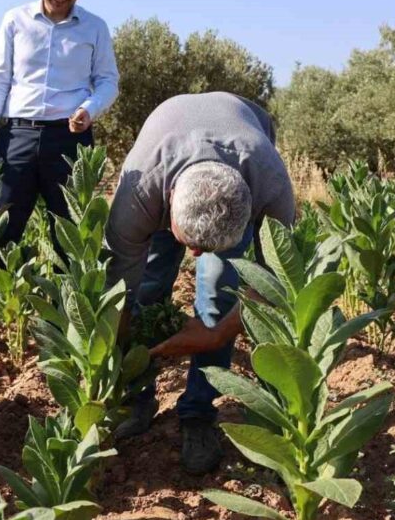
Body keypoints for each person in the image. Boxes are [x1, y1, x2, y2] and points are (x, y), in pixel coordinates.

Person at [105, 92, 295, 474]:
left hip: (242, 147)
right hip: (166, 149)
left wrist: (219, 333)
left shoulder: (271, 186)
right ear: (168, 202)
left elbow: (272, 282)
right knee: (146, 286)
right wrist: (129, 351)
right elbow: (117, 292)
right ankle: (135, 395)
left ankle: (197, 414)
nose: (195, 256)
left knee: (219, 292)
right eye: (189, 243)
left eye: (204, 247)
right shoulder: (138, 196)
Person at [0, 0, 119, 354]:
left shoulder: (95, 28)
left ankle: (69, 329)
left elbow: (107, 81)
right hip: (15, 137)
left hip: (70, 141)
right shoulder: (14, 21)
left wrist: (89, 109)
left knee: (72, 236)